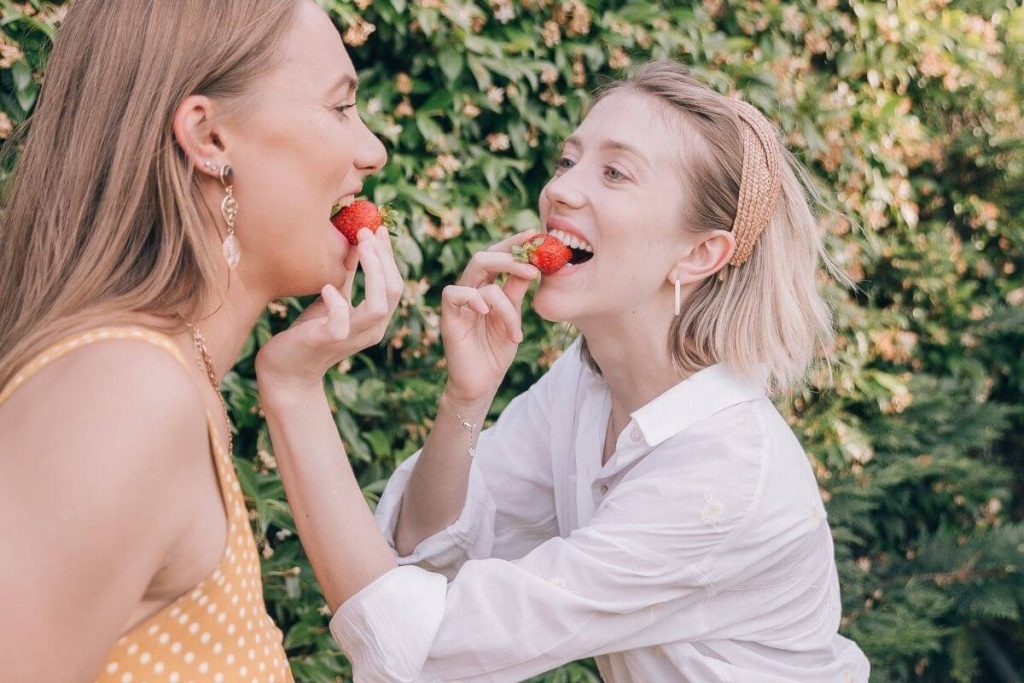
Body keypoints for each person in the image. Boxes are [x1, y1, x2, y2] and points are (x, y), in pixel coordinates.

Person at [254, 60, 872, 681]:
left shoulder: (721, 472)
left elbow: (420, 649)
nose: (562, 190)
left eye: (614, 172)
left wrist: (296, 386)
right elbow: (427, 560)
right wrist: (465, 400)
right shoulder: (586, 384)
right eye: (568, 161)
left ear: (699, 254)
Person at [0, 1, 400, 681]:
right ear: (209, 138)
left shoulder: (167, 381)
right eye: (340, 108)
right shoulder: (125, 396)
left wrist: (297, 385)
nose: (373, 149)